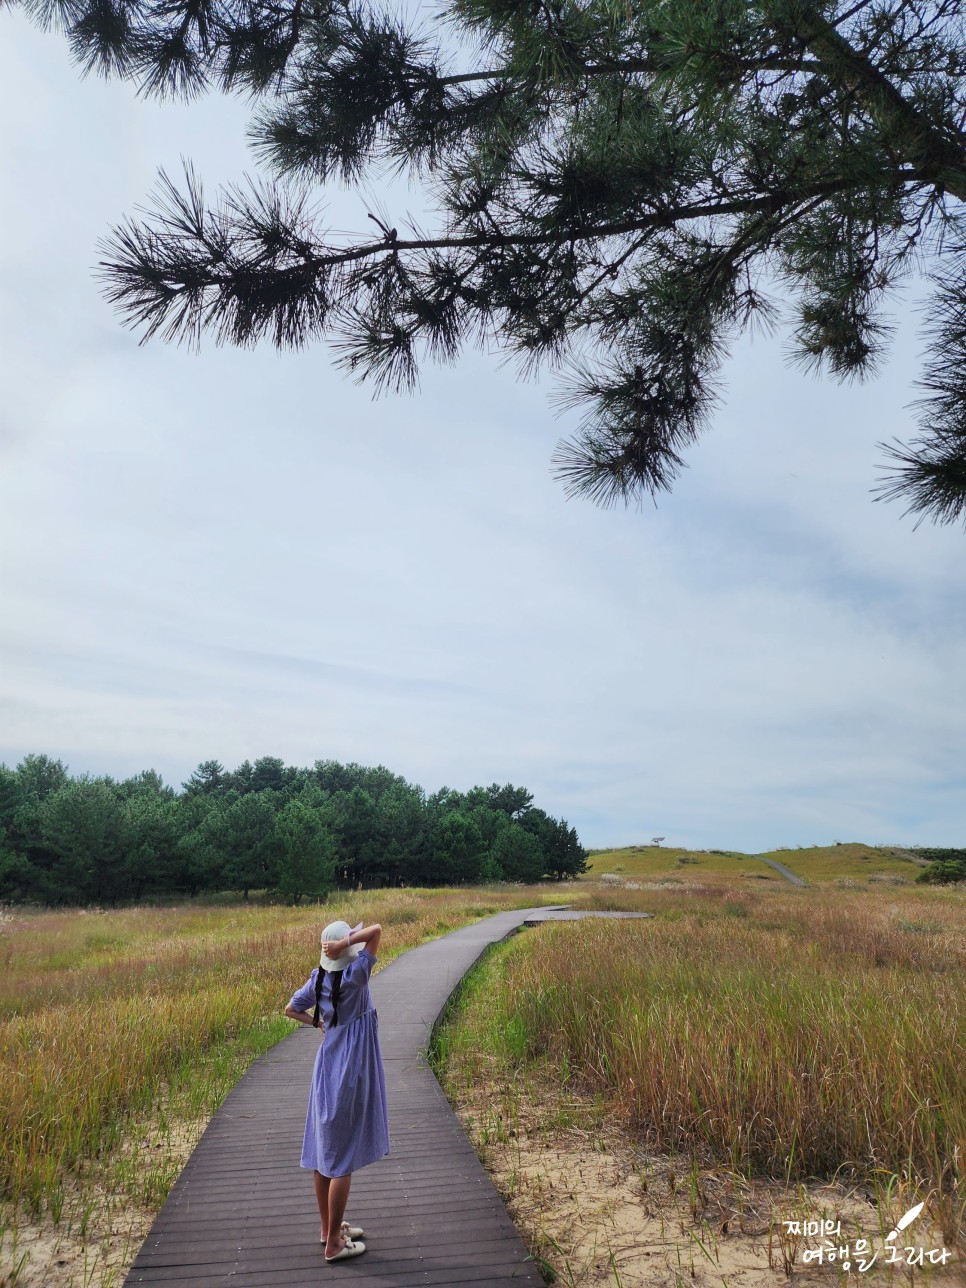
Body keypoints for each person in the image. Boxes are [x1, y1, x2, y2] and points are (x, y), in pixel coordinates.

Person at [284, 919, 390, 1262]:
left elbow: (291, 1009)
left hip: (327, 1066)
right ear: (346, 950)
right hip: (350, 1068)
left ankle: (328, 1227)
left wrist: (318, 1022)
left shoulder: (318, 979)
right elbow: (375, 930)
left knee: (323, 1150)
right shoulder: (356, 975)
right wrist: (347, 943)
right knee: (342, 1156)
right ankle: (334, 1245)